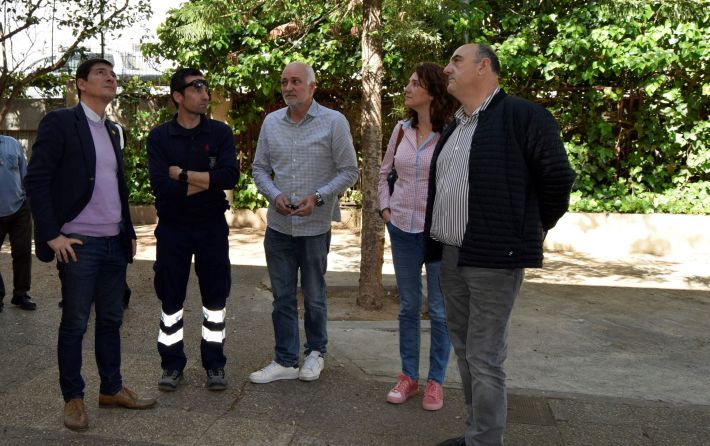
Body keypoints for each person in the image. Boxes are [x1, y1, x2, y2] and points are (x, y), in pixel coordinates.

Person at [425, 44, 576, 446]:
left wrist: (531, 228)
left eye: (456, 60)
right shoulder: (455, 124)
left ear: (484, 66)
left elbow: (558, 179)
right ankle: (478, 431)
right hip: (451, 255)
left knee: (485, 355)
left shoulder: (523, 116)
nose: (447, 68)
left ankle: (486, 440)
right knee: (465, 348)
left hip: (494, 259)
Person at [24, 58, 156, 432]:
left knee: (112, 320)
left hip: (114, 241)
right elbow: (37, 180)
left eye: (112, 74)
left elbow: (117, 186)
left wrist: (128, 231)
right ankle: (74, 399)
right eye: (101, 73)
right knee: (76, 322)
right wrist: (51, 234)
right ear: (81, 84)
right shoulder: (61, 122)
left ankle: (111, 389)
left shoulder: (113, 130)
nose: (110, 78)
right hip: (79, 244)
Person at [250, 61, 359, 384]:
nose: (288, 87)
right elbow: (259, 168)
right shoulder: (271, 123)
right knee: (281, 296)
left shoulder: (333, 122)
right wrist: (274, 195)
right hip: (279, 227)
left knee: (313, 295)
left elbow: (349, 170)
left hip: (315, 227)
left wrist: (319, 197)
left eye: (296, 81)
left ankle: (315, 353)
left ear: (312, 87)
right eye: (284, 81)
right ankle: (285, 359)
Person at [147, 68, 239, 392]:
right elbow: (161, 187)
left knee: (215, 298)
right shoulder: (159, 137)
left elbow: (230, 178)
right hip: (173, 228)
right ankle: (171, 365)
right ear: (178, 96)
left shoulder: (219, 134)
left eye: (206, 86)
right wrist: (206, 181)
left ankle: (215, 364)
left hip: (212, 227)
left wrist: (183, 174)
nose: (204, 93)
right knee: (170, 300)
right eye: (197, 87)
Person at [377, 63, 455, 411]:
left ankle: (435, 381)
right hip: (403, 229)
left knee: (439, 311)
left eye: (414, 83)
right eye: (408, 83)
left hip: (438, 232)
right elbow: (383, 174)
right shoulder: (400, 130)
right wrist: (386, 210)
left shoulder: (452, 132)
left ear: (432, 91)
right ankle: (408, 376)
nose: (407, 89)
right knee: (409, 307)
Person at [0, 135, 36, 312]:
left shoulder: (12, 144)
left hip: (19, 208)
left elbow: (25, 174)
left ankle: (21, 294)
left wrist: (28, 201)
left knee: (22, 253)